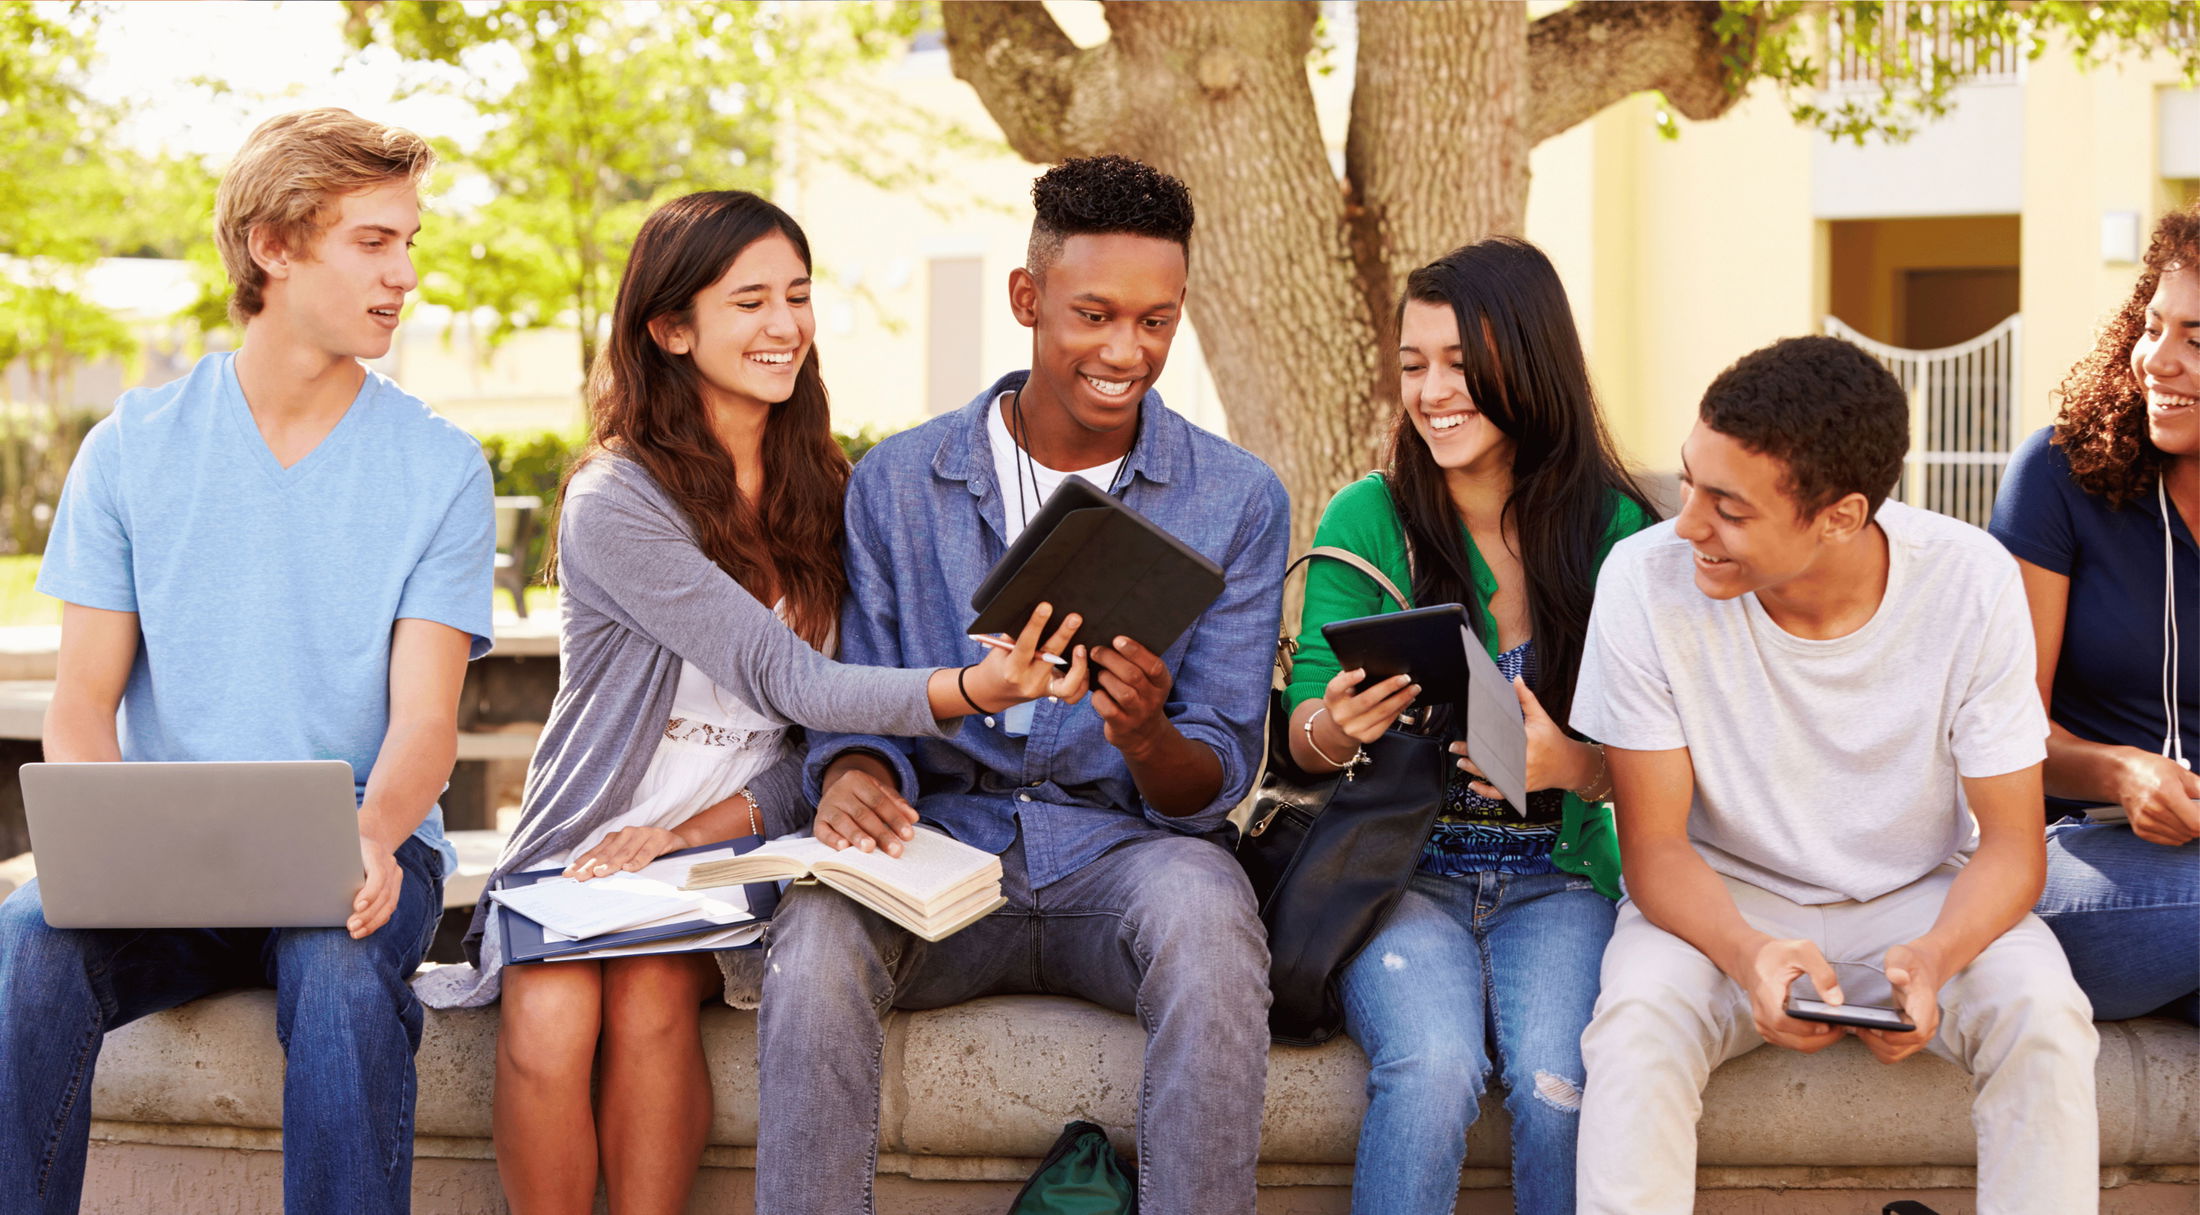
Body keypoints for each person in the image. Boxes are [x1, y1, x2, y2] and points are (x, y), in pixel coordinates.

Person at [414, 190, 1085, 1215]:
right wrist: (967, 691)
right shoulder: (618, 500)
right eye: (750, 302)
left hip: (749, 841)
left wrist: (696, 830)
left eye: (799, 297)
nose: (785, 327)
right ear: (671, 328)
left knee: (647, 1001)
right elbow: (790, 677)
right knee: (548, 1019)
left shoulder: (830, 489)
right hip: (592, 841)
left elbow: (813, 733)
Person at [752, 155, 1288, 1215]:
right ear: (1026, 299)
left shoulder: (1236, 500)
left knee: (1214, 926)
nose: (1125, 352)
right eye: (1094, 314)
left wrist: (1144, 737)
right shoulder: (900, 482)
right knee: (812, 946)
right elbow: (858, 690)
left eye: (1156, 322)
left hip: (1125, 854)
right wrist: (855, 767)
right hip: (939, 846)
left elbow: (1214, 777)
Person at [0, 109, 494, 1214]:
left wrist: (372, 834)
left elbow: (424, 724)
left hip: (361, 852)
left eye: (409, 243)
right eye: (374, 242)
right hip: (168, 862)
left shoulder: (438, 468)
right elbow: (81, 702)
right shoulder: (132, 445)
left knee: (334, 969)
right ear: (274, 245)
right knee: (26, 940)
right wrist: (99, 838)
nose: (404, 274)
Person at [1570, 335, 2099, 1214]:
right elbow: (1654, 848)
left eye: (1729, 508)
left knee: (2045, 1017)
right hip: (1720, 893)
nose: (1689, 522)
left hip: (1925, 892)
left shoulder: (1971, 582)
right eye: (1691, 480)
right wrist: (1748, 954)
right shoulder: (1643, 577)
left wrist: (1935, 958)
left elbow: (2012, 846)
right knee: (1636, 1026)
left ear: (1841, 516)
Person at [1283, 237, 1655, 1215]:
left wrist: (1576, 764)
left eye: (1460, 364)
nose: (1432, 391)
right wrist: (1339, 725)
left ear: (1526, 367)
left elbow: (1666, 755)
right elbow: (1301, 731)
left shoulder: (1616, 533)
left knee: (1557, 1089)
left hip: (1560, 878)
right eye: (1414, 366)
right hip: (1401, 877)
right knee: (1434, 1066)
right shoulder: (1371, 515)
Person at [1988, 202, 2199, 1024]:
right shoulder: (2058, 477)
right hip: (2072, 852)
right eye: (2154, 326)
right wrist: (2125, 770)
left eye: (2196, 339)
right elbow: (2004, 731)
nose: (2160, 360)